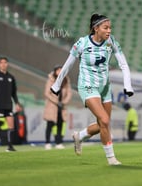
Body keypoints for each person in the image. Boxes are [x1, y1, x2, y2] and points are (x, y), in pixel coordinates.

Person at [50, 13, 134, 165]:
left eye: (110, 28)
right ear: (96, 28)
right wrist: (56, 85)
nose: (109, 31)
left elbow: (124, 65)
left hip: (104, 87)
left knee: (104, 124)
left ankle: (80, 136)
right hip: (87, 86)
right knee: (104, 119)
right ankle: (111, 159)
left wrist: (127, 86)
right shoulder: (82, 43)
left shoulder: (111, 41)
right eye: (105, 27)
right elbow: (68, 65)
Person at [43, 65, 72, 150]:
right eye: (58, 70)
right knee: (50, 124)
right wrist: (56, 102)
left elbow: (69, 93)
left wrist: (64, 102)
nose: (59, 72)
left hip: (62, 106)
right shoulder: (51, 80)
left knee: (60, 124)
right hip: (52, 106)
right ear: (55, 71)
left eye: (61, 70)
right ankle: (47, 142)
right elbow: (47, 93)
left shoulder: (66, 80)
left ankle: (58, 142)